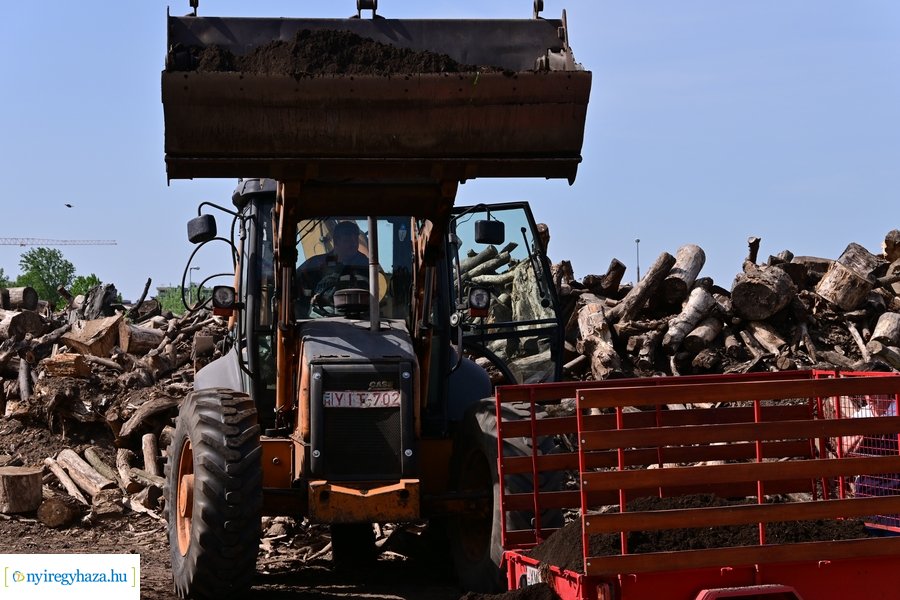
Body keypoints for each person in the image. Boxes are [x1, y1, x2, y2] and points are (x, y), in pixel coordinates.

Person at [296, 220, 369, 316]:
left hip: (359, 318)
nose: (353, 244)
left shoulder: (365, 264)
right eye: (348, 240)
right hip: (322, 319)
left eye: (355, 240)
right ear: (336, 241)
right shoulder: (316, 264)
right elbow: (294, 286)